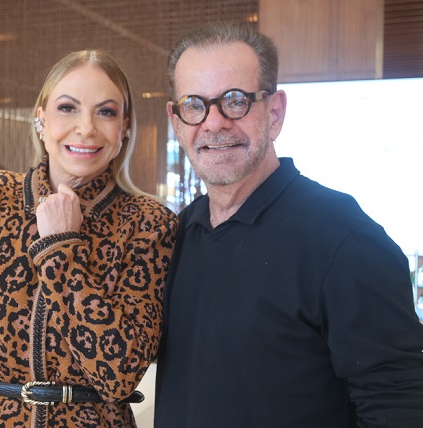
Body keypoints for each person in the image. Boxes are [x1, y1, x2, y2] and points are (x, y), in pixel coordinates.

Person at [154, 22, 423, 427]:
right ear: (177, 122)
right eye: (194, 105)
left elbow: (399, 406)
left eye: (235, 101)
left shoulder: (343, 239)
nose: (214, 123)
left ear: (275, 113)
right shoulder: (175, 237)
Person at [0, 49, 178, 427]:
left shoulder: (148, 224)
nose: (86, 128)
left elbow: (120, 374)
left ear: (124, 127)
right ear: (40, 118)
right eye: (67, 108)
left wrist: (60, 248)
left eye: (105, 112)